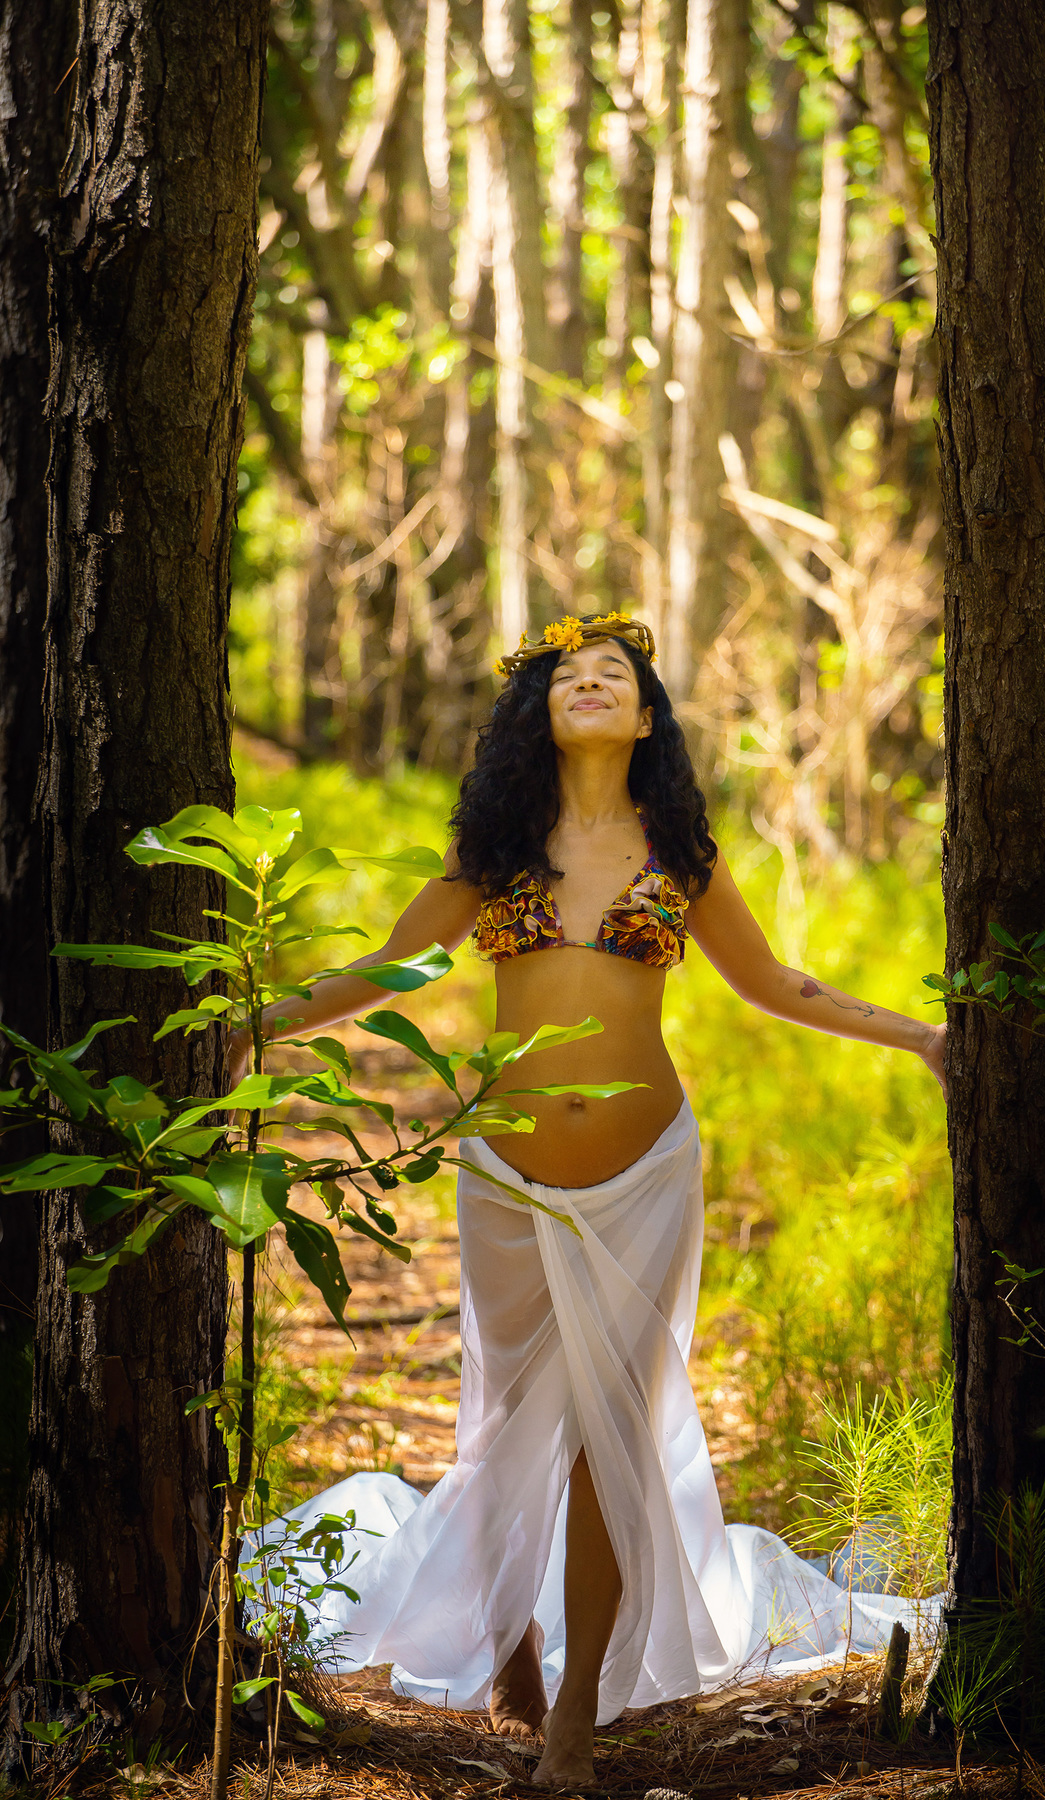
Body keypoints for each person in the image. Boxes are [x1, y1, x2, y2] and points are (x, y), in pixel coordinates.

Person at [231, 613, 946, 1790]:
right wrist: (250, 1025)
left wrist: (922, 1038)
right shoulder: (495, 848)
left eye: (614, 673)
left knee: (607, 1434)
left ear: (647, 714)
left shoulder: (679, 855)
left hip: (645, 1174)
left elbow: (777, 983)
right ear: (540, 712)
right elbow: (384, 973)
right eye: (569, 673)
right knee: (512, 1417)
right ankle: (506, 1644)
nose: (592, 681)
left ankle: (571, 1721)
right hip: (506, 1176)